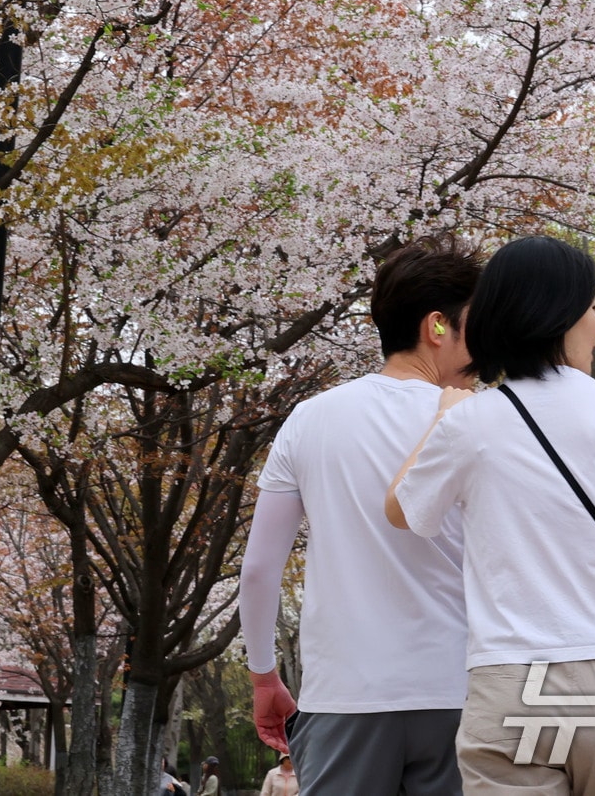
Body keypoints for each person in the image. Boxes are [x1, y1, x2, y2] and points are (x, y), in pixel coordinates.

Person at [386, 235, 595, 796]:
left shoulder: (470, 424)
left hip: (510, 681)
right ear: (561, 313)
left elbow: (401, 512)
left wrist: (444, 414)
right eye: (591, 306)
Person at [239, 234, 481, 794]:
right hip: (459, 693)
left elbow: (257, 571)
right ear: (438, 325)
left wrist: (263, 676)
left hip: (344, 695)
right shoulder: (484, 419)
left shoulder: (310, 419)